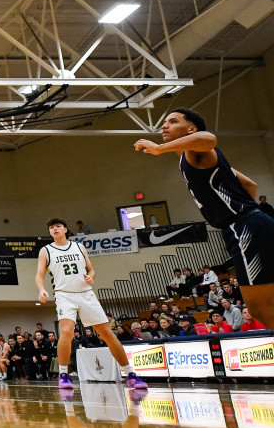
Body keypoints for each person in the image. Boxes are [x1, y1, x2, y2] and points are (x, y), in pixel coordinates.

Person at [135, 107, 274, 327]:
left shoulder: (196, 152)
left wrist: (160, 148)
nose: (164, 125)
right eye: (165, 122)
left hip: (243, 227)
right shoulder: (193, 159)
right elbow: (250, 185)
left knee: (259, 307)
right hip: (250, 223)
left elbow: (209, 138)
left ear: (191, 129)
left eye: (173, 121)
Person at [37, 218, 147, 391]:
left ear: (66, 229)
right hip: (64, 294)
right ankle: (64, 375)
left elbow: (91, 269)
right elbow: (39, 274)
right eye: (51, 227)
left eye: (58, 226)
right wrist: (41, 289)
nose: (55, 229)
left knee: (107, 333)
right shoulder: (46, 251)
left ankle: (130, 373)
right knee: (66, 332)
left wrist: (92, 276)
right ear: (50, 232)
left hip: (86, 294)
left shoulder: (79, 247)